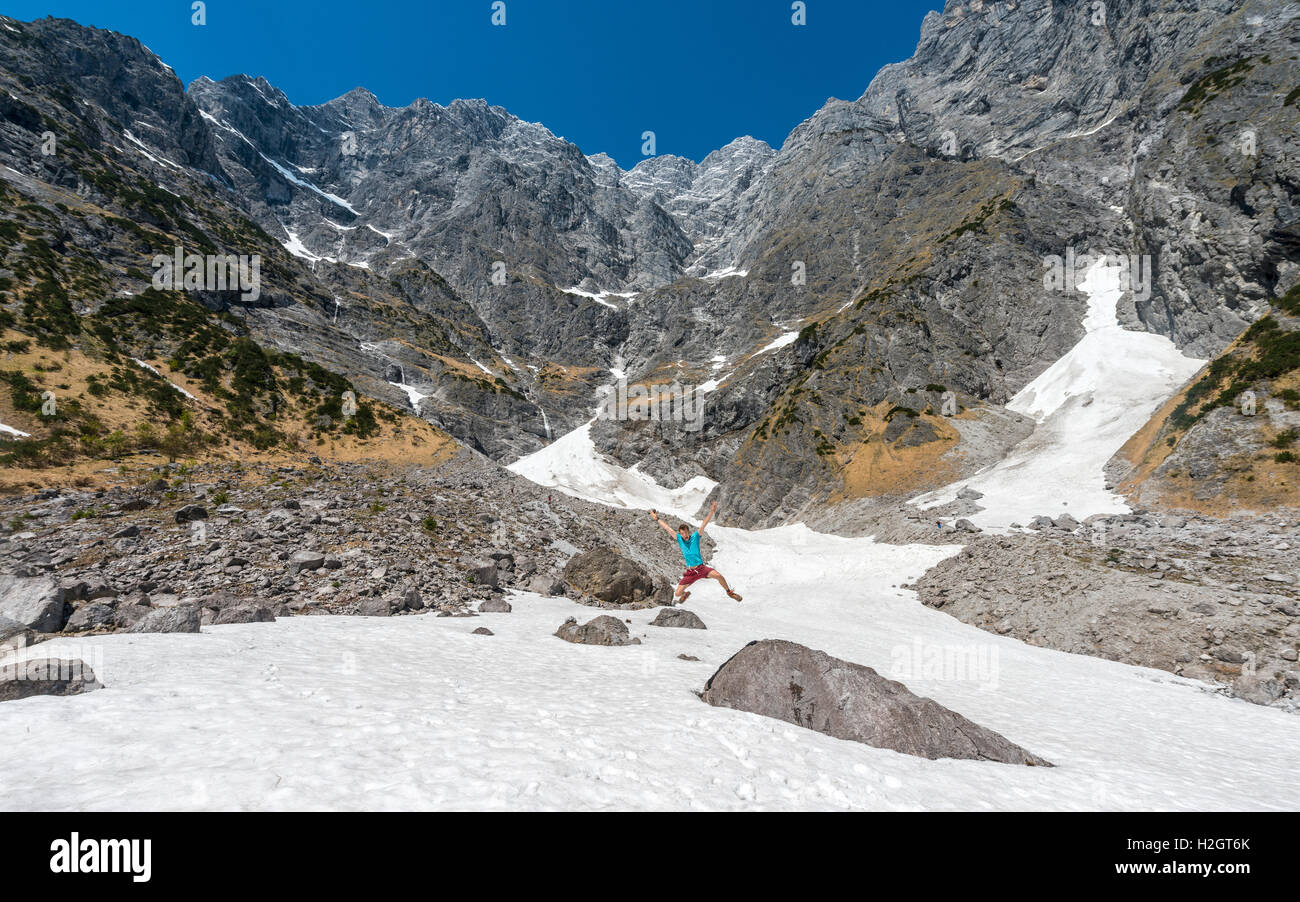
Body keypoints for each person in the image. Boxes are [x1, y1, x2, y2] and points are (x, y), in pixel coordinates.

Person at [650, 501, 742, 604]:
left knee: (719, 576)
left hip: (701, 568)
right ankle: (685, 594)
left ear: (689, 532)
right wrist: (657, 518)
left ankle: (729, 592)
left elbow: (704, 523)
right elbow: (668, 528)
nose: (685, 535)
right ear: (680, 534)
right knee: (677, 593)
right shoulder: (679, 539)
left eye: (686, 532)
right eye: (682, 533)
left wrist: (712, 511)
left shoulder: (695, 537)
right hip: (691, 572)